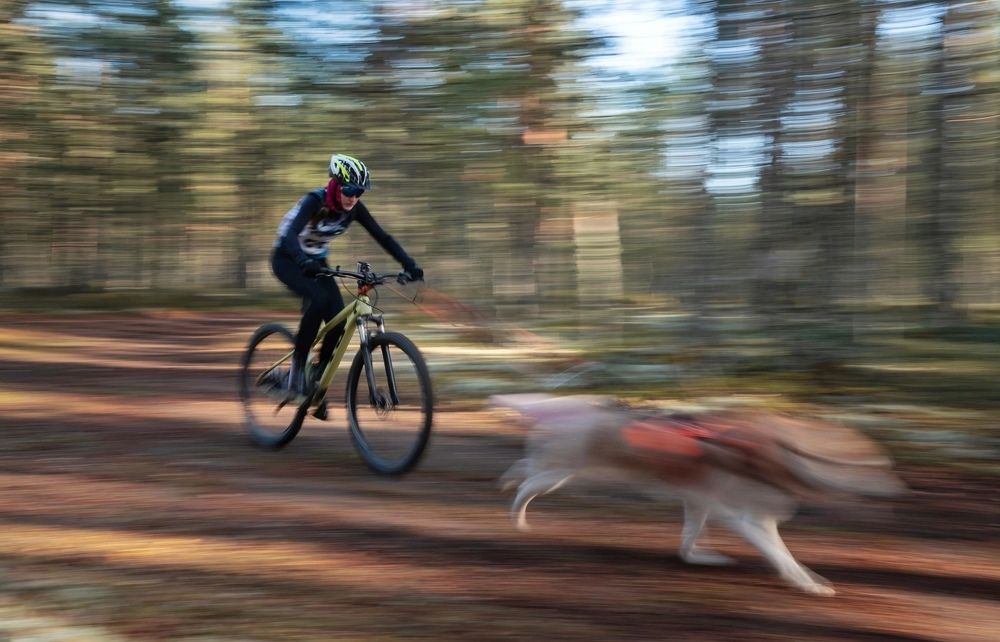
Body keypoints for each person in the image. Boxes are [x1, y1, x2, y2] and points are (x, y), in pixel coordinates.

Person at [271, 153, 423, 396]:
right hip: (287, 258)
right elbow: (289, 235)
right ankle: (297, 370)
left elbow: (383, 237)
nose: (353, 197)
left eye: (359, 192)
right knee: (319, 299)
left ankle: (317, 376)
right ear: (336, 184)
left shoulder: (354, 209)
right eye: (349, 190)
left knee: (338, 321)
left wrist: (409, 264)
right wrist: (301, 260)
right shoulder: (315, 201)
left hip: (316, 262)